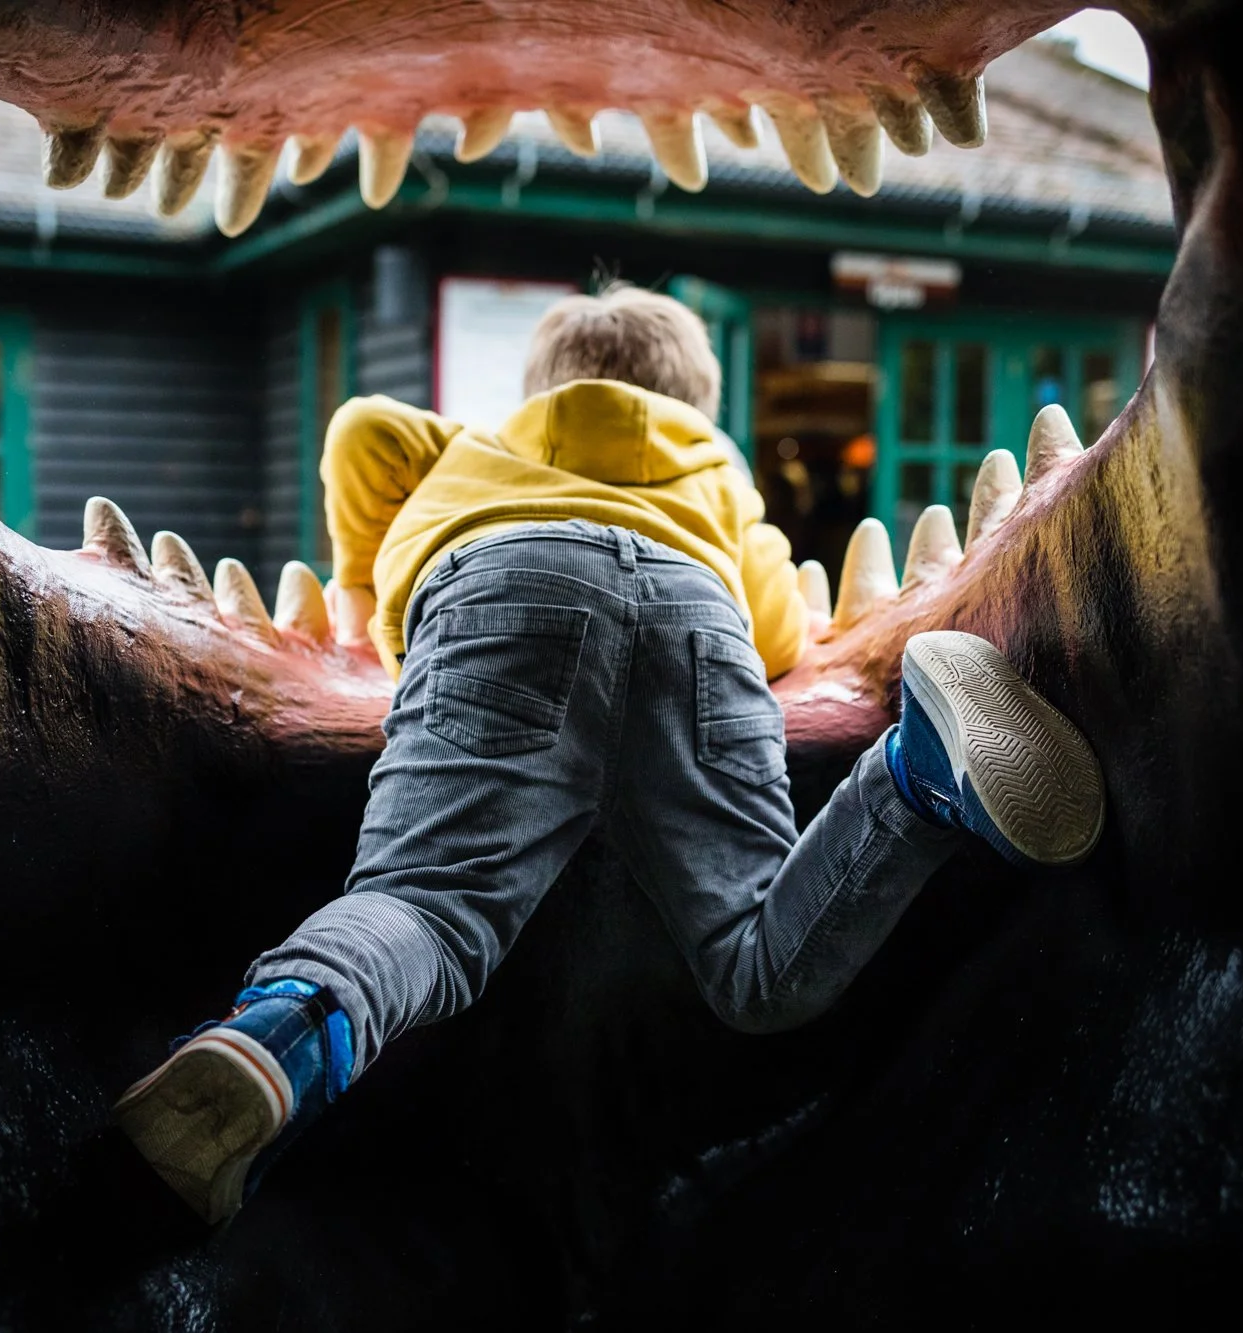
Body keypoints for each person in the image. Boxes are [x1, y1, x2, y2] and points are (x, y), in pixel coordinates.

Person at [114, 284, 1105, 1225]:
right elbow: (771, 632)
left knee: (426, 906)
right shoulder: (713, 469)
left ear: (540, 389)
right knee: (758, 964)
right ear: (689, 400)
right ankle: (911, 779)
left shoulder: (474, 447)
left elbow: (358, 431)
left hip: (499, 583)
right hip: (692, 607)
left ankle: (280, 1036)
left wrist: (375, 604)